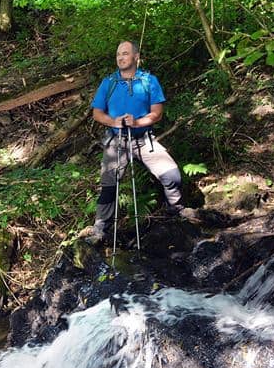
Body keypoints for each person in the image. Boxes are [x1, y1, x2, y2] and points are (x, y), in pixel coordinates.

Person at [78, 41, 193, 245]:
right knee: (108, 186)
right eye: (118, 55)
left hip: (143, 139)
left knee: (172, 175)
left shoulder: (148, 81)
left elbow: (157, 113)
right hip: (117, 142)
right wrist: (114, 122)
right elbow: (97, 113)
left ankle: (176, 211)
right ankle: (100, 228)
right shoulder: (109, 82)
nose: (120, 58)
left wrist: (138, 122)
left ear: (135, 57)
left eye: (125, 54)